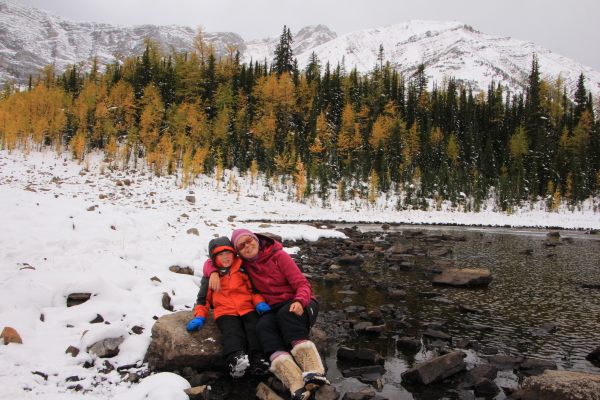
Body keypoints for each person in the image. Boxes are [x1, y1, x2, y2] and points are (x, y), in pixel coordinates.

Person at [205, 229, 328, 400]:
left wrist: (299, 301)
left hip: (299, 303)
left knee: (287, 314)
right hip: (273, 308)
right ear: (238, 252)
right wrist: (211, 271)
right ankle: (295, 383)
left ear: (255, 239)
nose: (247, 246)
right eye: (241, 245)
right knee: (262, 327)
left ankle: (314, 371)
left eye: (249, 240)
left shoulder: (279, 256)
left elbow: (302, 284)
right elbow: (217, 260)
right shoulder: (244, 264)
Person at [187, 236, 271, 378]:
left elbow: (254, 290)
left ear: (234, 254)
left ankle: (259, 359)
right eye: (220, 254)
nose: (225, 257)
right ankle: (236, 359)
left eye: (228, 253)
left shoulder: (242, 269)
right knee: (231, 332)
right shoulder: (210, 277)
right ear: (214, 258)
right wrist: (200, 316)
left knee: (254, 328)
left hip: (247, 308)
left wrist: (259, 302)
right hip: (225, 312)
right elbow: (203, 299)